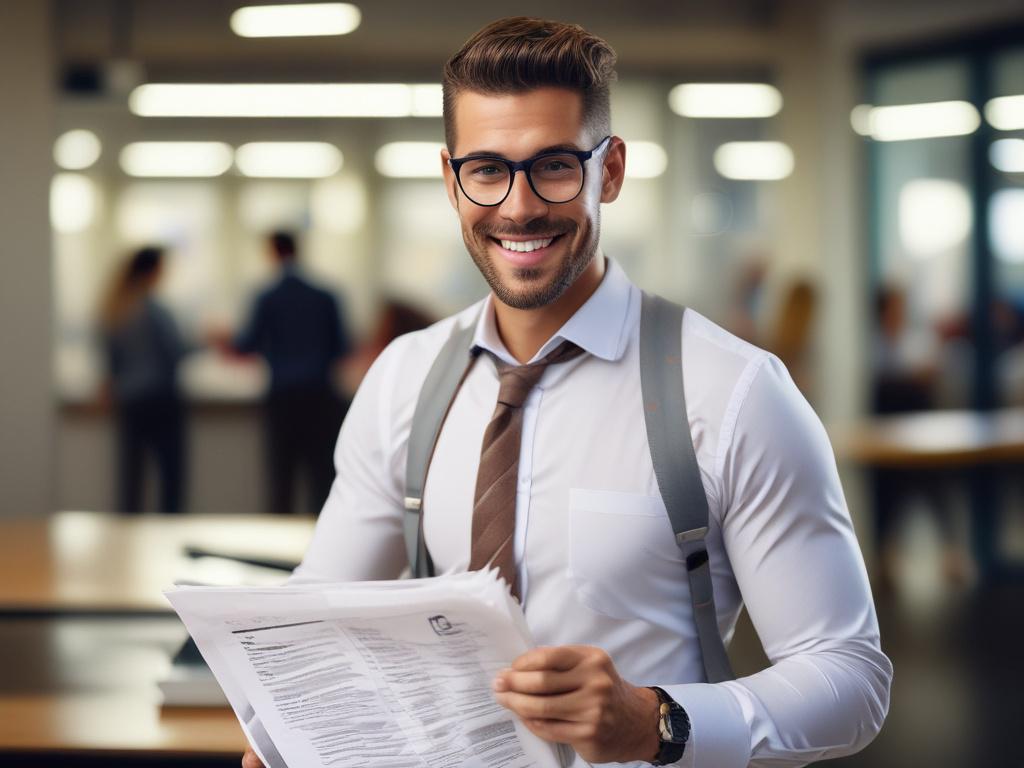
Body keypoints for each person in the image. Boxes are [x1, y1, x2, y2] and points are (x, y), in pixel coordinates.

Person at [244, 17, 890, 768]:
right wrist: (281, 725)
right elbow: (321, 609)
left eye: (553, 165)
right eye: (487, 169)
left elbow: (851, 678)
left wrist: (654, 719)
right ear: (451, 178)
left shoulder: (733, 393)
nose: (518, 207)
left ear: (608, 170)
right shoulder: (403, 380)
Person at [229, 231, 352, 515]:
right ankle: (322, 544)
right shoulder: (325, 296)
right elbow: (341, 347)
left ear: (272, 252)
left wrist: (225, 341)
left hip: (283, 397)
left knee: (281, 477)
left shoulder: (268, 297)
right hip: (321, 396)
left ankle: (277, 542)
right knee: (321, 477)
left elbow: (248, 344)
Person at [100, 245, 188, 514]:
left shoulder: (117, 307)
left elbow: (111, 362)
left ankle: (126, 540)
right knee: (170, 479)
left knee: (132, 480)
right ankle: (170, 535)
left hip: (130, 401)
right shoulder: (155, 310)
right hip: (161, 399)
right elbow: (175, 351)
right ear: (153, 270)